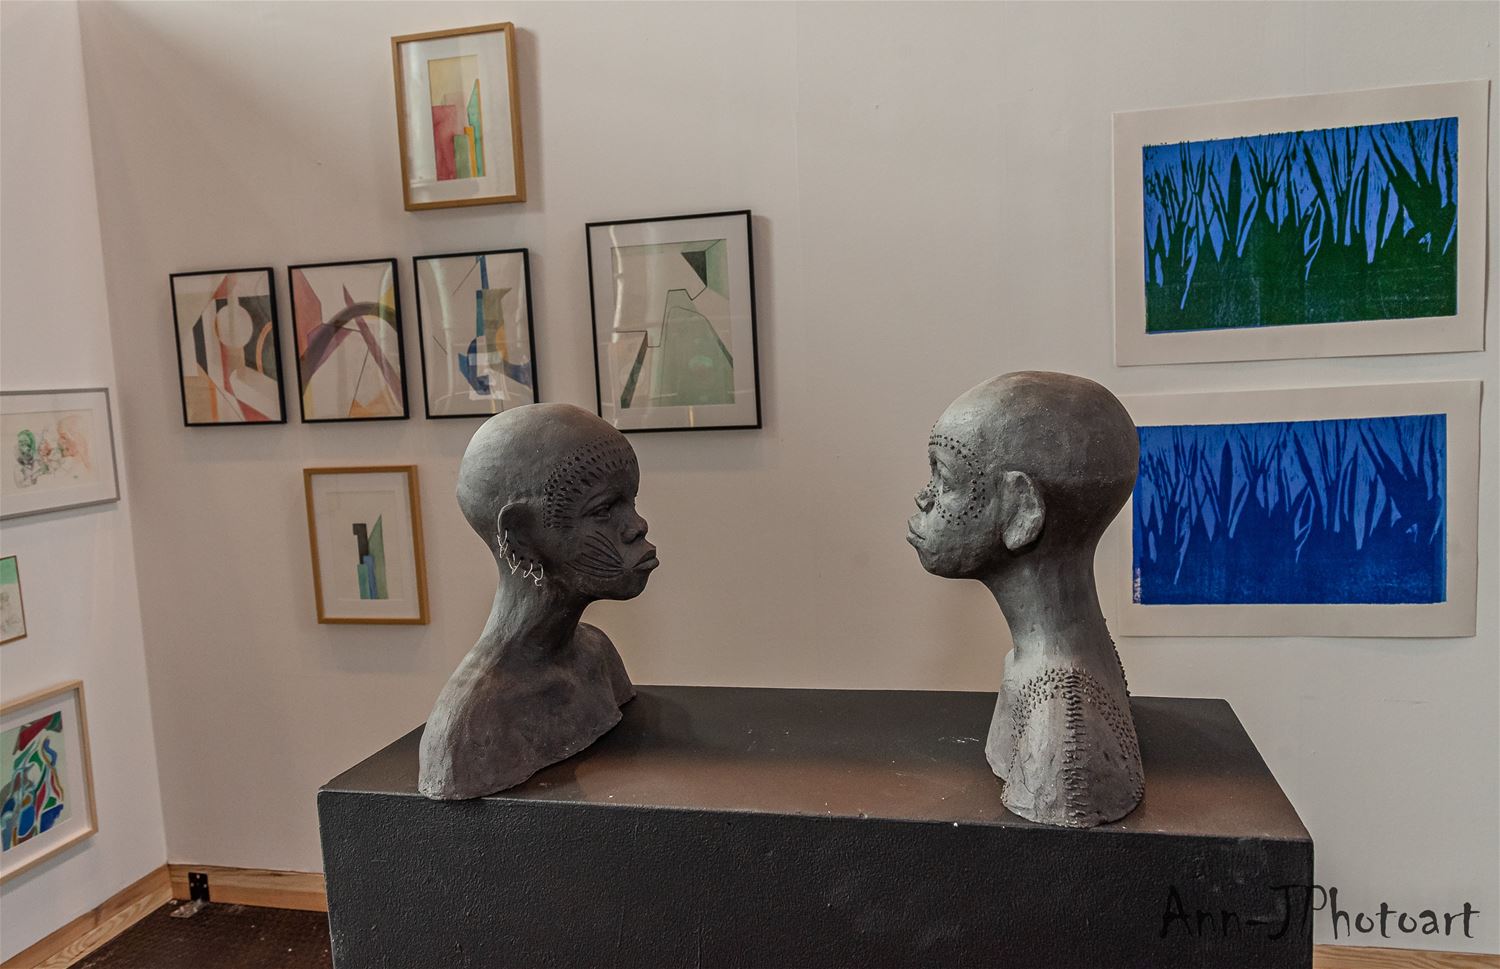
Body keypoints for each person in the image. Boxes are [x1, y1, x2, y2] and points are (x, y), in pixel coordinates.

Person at [907, 371, 1143, 827]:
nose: (924, 497)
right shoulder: (1040, 668)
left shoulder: (1064, 719)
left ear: (1022, 511)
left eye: (946, 478)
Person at [419, 404, 658, 800]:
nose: (637, 526)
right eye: (603, 509)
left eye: (630, 500)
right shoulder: (470, 725)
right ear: (522, 537)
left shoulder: (597, 656)